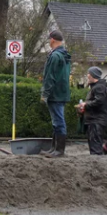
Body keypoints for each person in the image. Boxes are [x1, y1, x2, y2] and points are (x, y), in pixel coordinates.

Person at [39, 30, 71, 158]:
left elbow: (50, 77)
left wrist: (45, 94)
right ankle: (54, 149)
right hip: (61, 92)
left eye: (49, 40)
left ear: (52, 40)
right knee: (56, 121)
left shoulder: (55, 56)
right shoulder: (64, 55)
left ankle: (59, 150)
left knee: (58, 121)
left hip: (55, 94)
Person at [78, 67, 107, 155]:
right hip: (94, 120)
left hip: (97, 120)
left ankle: (98, 164)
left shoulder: (99, 87)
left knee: (95, 147)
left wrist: (85, 104)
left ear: (93, 75)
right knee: (94, 145)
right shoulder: (96, 87)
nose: (87, 75)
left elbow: (99, 102)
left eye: (89, 73)